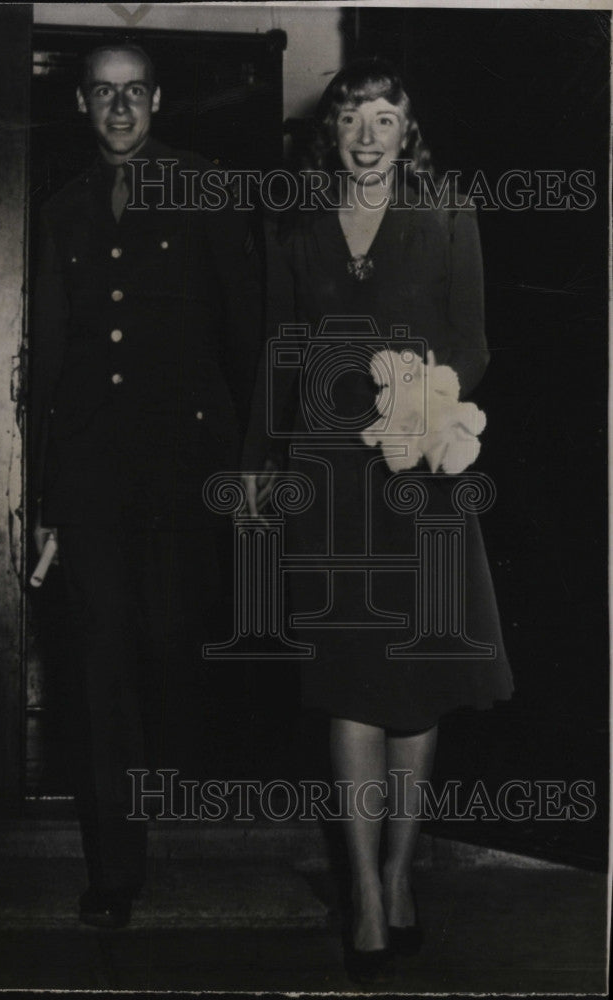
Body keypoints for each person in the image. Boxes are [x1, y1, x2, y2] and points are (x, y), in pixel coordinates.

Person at [242, 58, 513, 981]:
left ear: (408, 134)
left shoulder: (449, 216)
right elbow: (279, 354)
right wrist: (259, 466)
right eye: (353, 119)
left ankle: (400, 875)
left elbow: (471, 344)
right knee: (349, 686)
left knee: (415, 689)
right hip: (327, 488)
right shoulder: (299, 222)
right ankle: (361, 893)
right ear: (335, 131)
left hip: (419, 481)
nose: (367, 137)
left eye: (385, 121)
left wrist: (423, 416)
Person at [31, 44, 263, 929]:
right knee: (101, 666)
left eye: (134, 93)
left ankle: (187, 798)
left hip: (186, 469)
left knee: (172, 647)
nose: (120, 109)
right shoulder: (62, 208)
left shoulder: (204, 188)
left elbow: (246, 332)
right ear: (84, 106)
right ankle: (114, 872)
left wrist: (249, 464)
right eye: (103, 94)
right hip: (91, 477)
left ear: (158, 100)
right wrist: (46, 501)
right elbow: (53, 362)